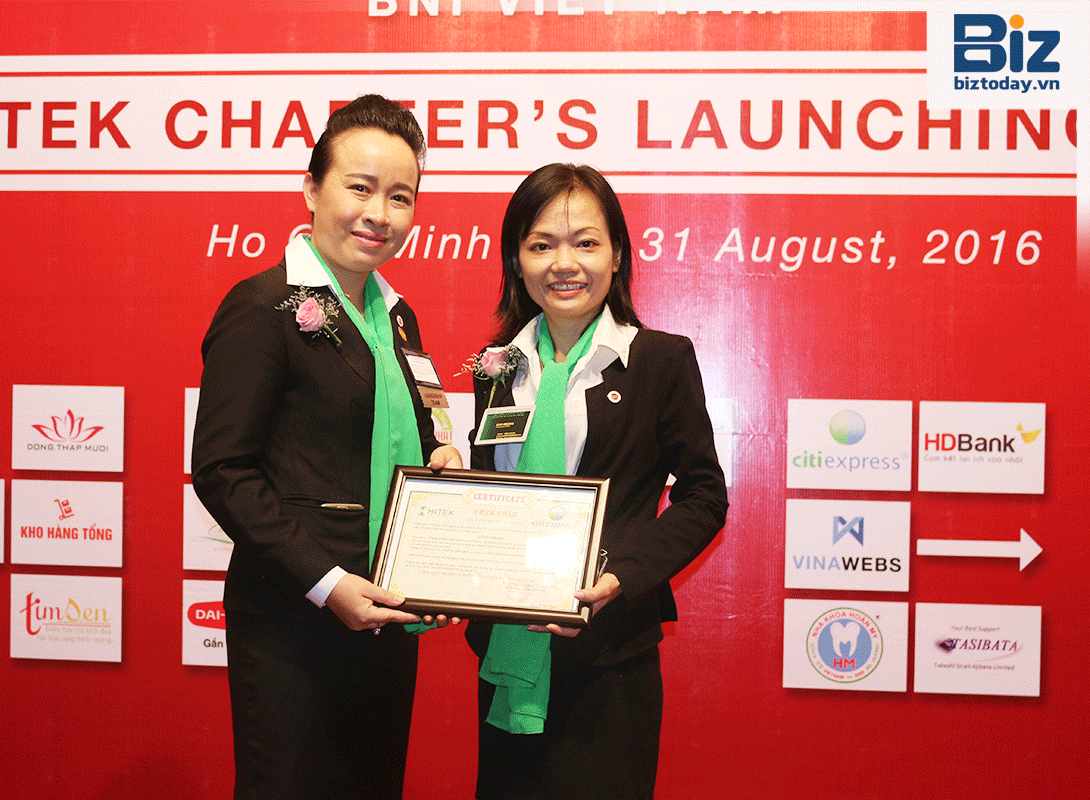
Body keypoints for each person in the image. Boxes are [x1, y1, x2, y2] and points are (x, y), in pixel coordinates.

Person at [192, 94, 462, 800]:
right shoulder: (263, 307)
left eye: (400, 197)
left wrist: (442, 468)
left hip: (384, 615)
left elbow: (420, 434)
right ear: (312, 189)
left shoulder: (398, 317)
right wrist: (327, 583)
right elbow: (222, 470)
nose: (380, 214)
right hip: (294, 618)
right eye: (360, 188)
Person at [465, 164, 728, 799]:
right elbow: (488, 497)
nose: (564, 264)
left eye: (585, 242)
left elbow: (704, 497)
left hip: (611, 655)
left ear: (617, 255)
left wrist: (622, 577)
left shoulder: (659, 361)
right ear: (517, 262)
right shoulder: (496, 369)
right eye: (541, 244)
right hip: (507, 649)